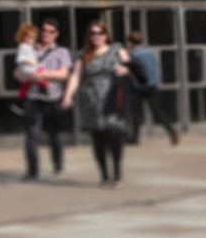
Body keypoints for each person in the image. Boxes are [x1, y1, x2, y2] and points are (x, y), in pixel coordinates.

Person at [62, 20, 131, 186]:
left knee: (114, 134)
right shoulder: (83, 54)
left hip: (112, 98)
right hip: (90, 100)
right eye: (92, 33)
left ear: (106, 35)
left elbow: (131, 67)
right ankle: (104, 175)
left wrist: (125, 70)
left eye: (99, 33)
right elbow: (75, 77)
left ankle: (117, 173)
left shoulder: (116, 50)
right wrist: (68, 96)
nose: (96, 36)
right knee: (98, 138)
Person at [21, 18, 72, 181]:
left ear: (56, 34)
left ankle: (58, 166)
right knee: (31, 135)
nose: (45, 34)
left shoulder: (62, 52)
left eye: (50, 31)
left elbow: (64, 74)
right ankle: (32, 170)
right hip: (33, 97)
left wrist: (42, 74)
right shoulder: (30, 51)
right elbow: (18, 72)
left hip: (53, 98)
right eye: (43, 30)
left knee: (55, 135)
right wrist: (27, 75)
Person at [126, 31, 178, 145]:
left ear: (131, 42)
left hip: (138, 87)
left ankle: (134, 137)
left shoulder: (133, 54)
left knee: (136, 113)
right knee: (157, 112)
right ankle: (171, 131)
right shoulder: (150, 52)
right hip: (152, 86)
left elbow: (130, 70)